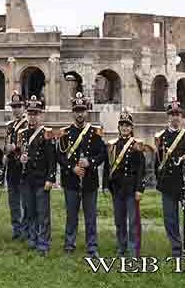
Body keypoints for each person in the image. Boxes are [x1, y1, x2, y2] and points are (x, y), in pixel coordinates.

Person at [56, 92, 105, 258]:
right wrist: (72, 168)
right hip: (71, 181)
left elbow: (102, 154)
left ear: (87, 112)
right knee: (71, 215)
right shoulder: (65, 133)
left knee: (90, 216)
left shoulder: (95, 132)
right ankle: (69, 244)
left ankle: (92, 246)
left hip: (90, 181)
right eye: (77, 110)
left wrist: (90, 162)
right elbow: (60, 156)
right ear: (73, 112)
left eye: (82, 110)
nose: (79, 113)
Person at [154, 99, 185, 257]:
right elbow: (158, 161)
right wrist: (159, 180)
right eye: (172, 114)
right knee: (170, 217)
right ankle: (176, 247)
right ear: (168, 116)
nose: (175, 117)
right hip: (168, 182)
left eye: (178, 114)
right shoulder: (161, 137)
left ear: (182, 116)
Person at [18, 95, 56, 255]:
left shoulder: (46, 134)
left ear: (40, 115)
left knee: (43, 214)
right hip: (28, 179)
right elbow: (18, 155)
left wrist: (51, 178)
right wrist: (20, 158)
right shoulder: (22, 134)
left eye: (35, 113)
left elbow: (52, 159)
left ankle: (43, 243)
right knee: (31, 211)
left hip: (41, 179)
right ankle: (33, 238)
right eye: (30, 113)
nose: (32, 116)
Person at [105, 108, 145, 257]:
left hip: (131, 188)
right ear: (119, 127)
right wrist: (106, 185)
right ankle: (121, 246)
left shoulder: (136, 145)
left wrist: (140, 189)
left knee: (133, 221)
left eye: (127, 125)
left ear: (131, 128)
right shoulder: (113, 145)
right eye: (122, 125)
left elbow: (141, 169)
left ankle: (133, 249)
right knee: (119, 220)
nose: (125, 127)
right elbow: (108, 167)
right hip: (117, 188)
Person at [3, 91, 28, 240]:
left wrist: (16, 148)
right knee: (13, 199)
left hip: (23, 167)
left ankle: (25, 228)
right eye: (14, 106)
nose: (16, 109)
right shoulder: (10, 126)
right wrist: (5, 153)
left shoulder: (27, 125)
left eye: (18, 106)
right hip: (11, 166)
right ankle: (16, 228)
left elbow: (28, 145)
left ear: (23, 107)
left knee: (24, 200)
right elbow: (6, 144)